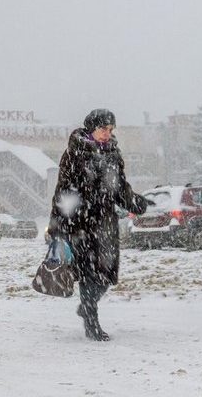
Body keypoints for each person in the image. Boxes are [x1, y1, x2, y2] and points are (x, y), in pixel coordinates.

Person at [47, 109, 149, 341]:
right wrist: (58, 225)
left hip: (105, 224)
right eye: (103, 129)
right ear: (92, 129)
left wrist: (137, 202)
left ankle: (86, 306)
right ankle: (92, 323)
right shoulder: (75, 154)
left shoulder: (113, 154)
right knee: (89, 275)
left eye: (110, 129)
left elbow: (120, 189)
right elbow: (63, 191)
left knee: (107, 275)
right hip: (80, 225)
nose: (107, 133)